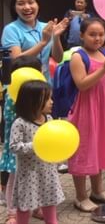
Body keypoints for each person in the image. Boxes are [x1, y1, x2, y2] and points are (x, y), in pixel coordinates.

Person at [68, 18, 105, 212]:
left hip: (104, 109)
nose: (97, 38)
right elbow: (82, 84)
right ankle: (80, 196)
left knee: (98, 149)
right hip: (85, 110)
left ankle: (97, 191)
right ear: (82, 35)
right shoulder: (78, 56)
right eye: (92, 34)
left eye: (100, 34)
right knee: (83, 151)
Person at [10, 80, 64, 224]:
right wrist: (35, 145)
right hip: (28, 174)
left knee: (50, 207)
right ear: (31, 101)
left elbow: (52, 141)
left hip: (48, 172)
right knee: (24, 209)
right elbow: (14, 146)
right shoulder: (20, 123)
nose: (51, 102)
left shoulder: (49, 119)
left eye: (51, 98)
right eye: (47, 99)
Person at [0, 56, 42, 224]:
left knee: (38, 178)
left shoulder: (40, 94)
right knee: (15, 181)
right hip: (18, 147)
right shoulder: (11, 95)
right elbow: (10, 119)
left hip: (36, 147)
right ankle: (12, 212)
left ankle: (37, 207)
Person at [1, 0, 68, 82]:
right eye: (20, 4)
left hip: (44, 83)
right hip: (21, 85)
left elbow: (58, 58)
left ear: (38, 5)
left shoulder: (46, 27)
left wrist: (56, 37)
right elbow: (16, 60)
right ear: (14, 8)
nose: (27, 7)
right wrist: (43, 43)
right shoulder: (11, 29)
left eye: (31, 2)